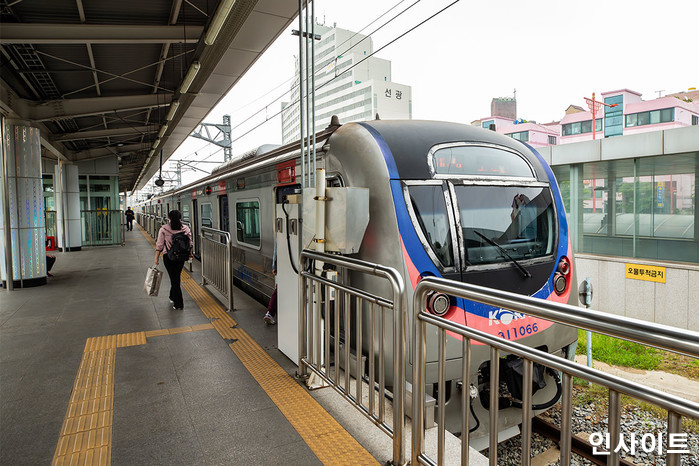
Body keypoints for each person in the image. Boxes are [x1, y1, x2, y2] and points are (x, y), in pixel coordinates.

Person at [154, 210, 192, 310]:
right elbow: (190, 243)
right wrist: (190, 254)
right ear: (180, 217)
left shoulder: (164, 229)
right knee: (176, 277)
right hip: (181, 257)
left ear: (169, 218)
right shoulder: (185, 228)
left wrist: (156, 258)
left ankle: (179, 304)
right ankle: (172, 296)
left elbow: (160, 245)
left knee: (174, 279)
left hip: (168, 257)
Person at [264, 240, 277, 325]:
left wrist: (274, 266)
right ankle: (270, 313)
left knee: (278, 290)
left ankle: (269, 313)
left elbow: (276, 249)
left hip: (281, 263)